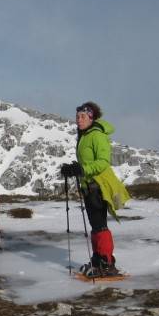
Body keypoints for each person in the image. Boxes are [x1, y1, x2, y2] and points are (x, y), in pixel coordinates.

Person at [61, 101, 130, 277]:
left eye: (83, 116)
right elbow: (87, 162)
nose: (78, 119)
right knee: (95, 225)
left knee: (100, 225)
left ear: (92, 117)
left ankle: (107, 263)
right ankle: (98, 259)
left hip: (98, 186)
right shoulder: (84, 135)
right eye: (77, 116)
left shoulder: (96, 135)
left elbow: (102, 162)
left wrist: (83, 169)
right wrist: (73, 168)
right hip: (89, 186)